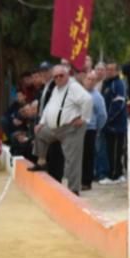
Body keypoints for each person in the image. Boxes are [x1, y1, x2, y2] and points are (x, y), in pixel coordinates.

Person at [34, 65, 91, 195]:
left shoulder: (73, 87)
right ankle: (41, 161)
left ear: (67, 75)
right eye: (56, 76)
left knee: (72, 160)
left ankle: (74, 189)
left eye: (61, 75)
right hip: (57, 129)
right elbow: (49, 107)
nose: (58, 78)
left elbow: (88, 99)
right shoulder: (57, 89)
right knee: (39, 133)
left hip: (72, 128)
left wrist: (84, 118)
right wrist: (42, 123)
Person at [101, 60, 128, 183]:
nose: (109, 72)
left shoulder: (118, 84)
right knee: (110, 151)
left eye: (112, 69)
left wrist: (108, 118)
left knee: (116, 151)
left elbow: (119, 103)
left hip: (117, 126)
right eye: (108, 69)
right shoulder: (106, 84)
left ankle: (116, 175)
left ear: (117, 71)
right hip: (107, 125)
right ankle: (114, 173)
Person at [82, 72, 107, 190]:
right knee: (78, 156)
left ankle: (86, 182)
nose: (90, 81)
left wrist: (97, 128)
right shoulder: (79, 93)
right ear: (84, 79)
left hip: (90, 129)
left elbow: (102, 115)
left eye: (93, 80)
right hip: (77, 129)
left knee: (88, 156)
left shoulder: (97, 97)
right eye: (88, 79)